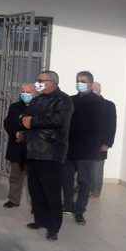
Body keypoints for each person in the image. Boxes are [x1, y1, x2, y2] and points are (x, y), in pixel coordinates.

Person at [21, 70, 73, 241]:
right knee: (35, 189)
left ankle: (53, 227)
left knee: (51, 191)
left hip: (51, 151)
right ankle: (40, 220)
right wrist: (25, 125)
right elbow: (27, 116)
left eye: (40, 80)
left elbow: (58, 121)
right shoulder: (38, 99)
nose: (38, 83)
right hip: (33, 150)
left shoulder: (63, 100)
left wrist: (32, 122)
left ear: (51, 82)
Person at [62, 71, 104, 225]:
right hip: (70, 147)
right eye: (78, 80)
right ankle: (68, 205)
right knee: (66, 178)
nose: (79, 83)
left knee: (84, 181)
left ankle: (80, 211)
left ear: (90, 84)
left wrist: (96, 146)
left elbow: (96, 127)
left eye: (83, 81)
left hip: (86, 148)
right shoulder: (71, 100)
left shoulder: (97, 102)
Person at [2, 83, 36, 208]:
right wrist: (15, 134)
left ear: (34, 93)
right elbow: (8, 123)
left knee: (35, 178)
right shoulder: (14, 107)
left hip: (34, 147)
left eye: (27, 92)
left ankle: (36, 204)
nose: (24, 94)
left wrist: (26, 136)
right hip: (16, 145)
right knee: (15, 175)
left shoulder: (39, 107)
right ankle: (13, 200)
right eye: (23, 91)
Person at [90, 82, 117, 198]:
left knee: (97, 169)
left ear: (100, 90)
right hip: (84, 142)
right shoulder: (84, 103)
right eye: (91, 90)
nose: (93, 92)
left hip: (100, 143)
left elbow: (112, 125)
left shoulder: (109, 105)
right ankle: (79, 186)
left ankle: (96, 190)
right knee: (81, 167)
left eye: (95, 90)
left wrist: (108, 143)